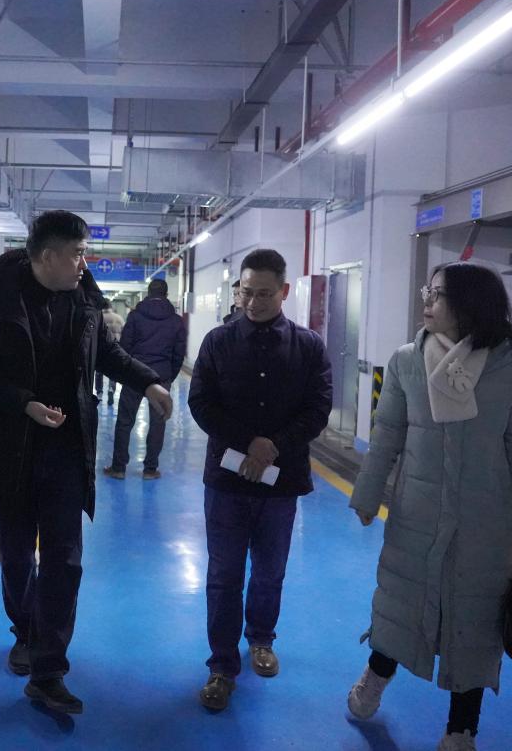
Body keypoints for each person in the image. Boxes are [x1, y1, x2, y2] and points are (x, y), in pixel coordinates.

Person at [0, 210, 173, 715]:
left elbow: (108, 356)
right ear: (48, 256)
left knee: (65, 558)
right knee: (17, 556)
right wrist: (24, 403)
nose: (84, 262)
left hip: (65, 449)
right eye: (77, 253)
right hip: (8, 447)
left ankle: (49, 668)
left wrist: (149, 381)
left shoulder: (84, 301)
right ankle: (26, 631)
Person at [345, 263, 512, 751]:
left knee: (475, 623)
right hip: (416, 514)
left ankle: (462, 729)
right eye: (429, 291)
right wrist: (368, 494)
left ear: (469, 304)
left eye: (437, 294)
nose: (427, 301)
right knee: (400, 605)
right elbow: (387, 435)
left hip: (485, 521)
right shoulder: (407, 361)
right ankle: (376, 675)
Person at [188, 248, 332, 712]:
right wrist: (249, 442)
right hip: (226, 483)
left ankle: (262, 639)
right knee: (224, 574)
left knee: (270, 570)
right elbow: (201, 403)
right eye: (246, 293)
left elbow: (318, 407)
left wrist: (275, 445)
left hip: (280, 483)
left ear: (284, 291)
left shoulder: (308, 346)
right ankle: (221, 665)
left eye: (264, 294)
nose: (252, 302)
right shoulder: (217, 342)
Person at [103, 278, 186, 480]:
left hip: (136, 374)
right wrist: (169, 376)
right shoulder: (176, 321)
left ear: (148, 293)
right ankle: (150, 469)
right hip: (162, 377)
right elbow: (178, 353)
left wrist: (128, 371)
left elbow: (124, 346)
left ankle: (119, 467)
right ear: (166, 295)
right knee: (158, 422)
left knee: (125, 421)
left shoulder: (135, 316)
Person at [96, 300, 125, 405]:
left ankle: (99, 393)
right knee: (113, 370)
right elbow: (124, 333)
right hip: (115, 348)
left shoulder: (99, 317)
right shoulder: (119, 318)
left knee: (99, 372)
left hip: (100, 349)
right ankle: (111, 389)